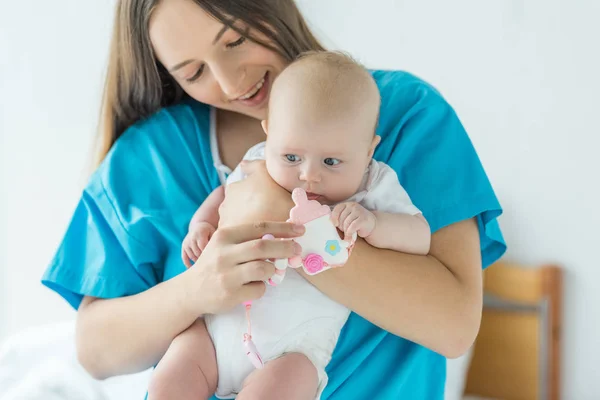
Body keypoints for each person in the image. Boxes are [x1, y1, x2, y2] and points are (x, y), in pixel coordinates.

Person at [41, 0, 506, 399]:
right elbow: (95, 350)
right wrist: (198, 286)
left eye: (235, 40)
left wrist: (279, 211)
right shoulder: (150, 156)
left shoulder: (406, 115)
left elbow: (454, 325)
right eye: (194, 71)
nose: (228, 82)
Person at [152, 51, 431, 400]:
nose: (309, 175)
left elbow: (420, 236)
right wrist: (201, 226)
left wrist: (375, 224)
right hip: (214, 329)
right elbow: (225, 193)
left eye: (332, 161)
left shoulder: (372, 184)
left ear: (368, 149)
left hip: (292, 351)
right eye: (292, 157)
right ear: (269, 134)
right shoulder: (258, 162)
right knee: (170, 380)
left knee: (286, 384)